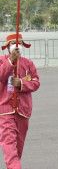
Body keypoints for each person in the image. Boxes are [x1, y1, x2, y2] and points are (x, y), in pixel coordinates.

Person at [0, 33, 40, 169]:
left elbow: (36, 82)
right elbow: (1, 75)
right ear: (7, 47)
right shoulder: (1, 60)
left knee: (18, 148)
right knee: (9, 143)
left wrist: (21, 83)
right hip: (5, 110)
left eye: (20, 44)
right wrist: (10, 61)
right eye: (13, 44)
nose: (16, 46)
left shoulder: (29, 64)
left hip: (23, 111)